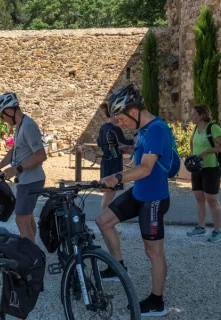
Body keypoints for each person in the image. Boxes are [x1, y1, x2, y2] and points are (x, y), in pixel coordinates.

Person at [96, 84, 174, 316]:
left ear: (134, 111)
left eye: (121, 118)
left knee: (153, 252)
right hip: (139, 193)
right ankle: (119, 266)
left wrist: (117, 176)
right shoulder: (144, 130)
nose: (120, 123)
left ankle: (156, 302)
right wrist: (128, 147)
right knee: (103, 221)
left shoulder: (158, 128)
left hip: (154, 198)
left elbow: (147, 168)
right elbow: (142, 153)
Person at [0, 92, 47, 242]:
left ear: (9, 111)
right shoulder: (20, 125)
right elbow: (14, 151)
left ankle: (29, 258)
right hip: (26, 180)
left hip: (30, 180)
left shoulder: (28, 126)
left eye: (2, 116)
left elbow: (41, 155)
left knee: (21, 219)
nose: (3, 120)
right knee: (27, 218)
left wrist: (17, 169)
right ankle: (33, 252)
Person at [186, 104, 221, 242]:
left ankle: (217, 231)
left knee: (212, 199)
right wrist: (193, 157)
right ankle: (201, 227)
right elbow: (192, 143)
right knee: (199, 198)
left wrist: (206, 152)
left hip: (211, 168)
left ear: (202, 115)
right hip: (198, 169)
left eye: (194, 114)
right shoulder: (196, 129)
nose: (191, 117)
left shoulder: (213, 128)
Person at [96, 102, 133, 212]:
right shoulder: (115, 129)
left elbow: (99, 142)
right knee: (111, 192)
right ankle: (105, 218)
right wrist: (135, 140)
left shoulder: (102, 128)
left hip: (105, 161)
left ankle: (104, 217)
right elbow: (125, 141)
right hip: (114, 161)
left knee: (107, 191)